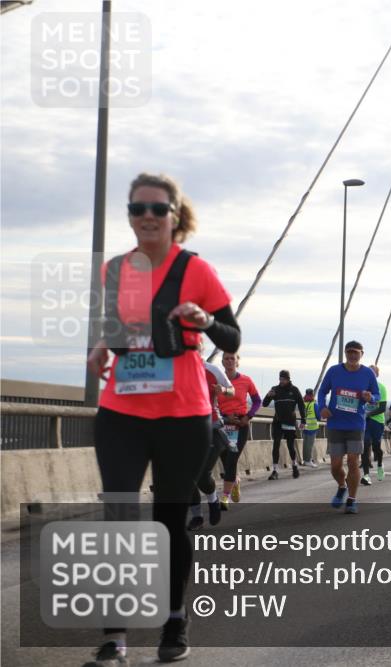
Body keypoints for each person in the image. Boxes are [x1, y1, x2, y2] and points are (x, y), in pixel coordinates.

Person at [84, 172, 240, 665]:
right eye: (137, 209)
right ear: (130, 217)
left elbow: (233, 338)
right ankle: (114, 635)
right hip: (121, 411)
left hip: (182, 415)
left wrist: (206, 322)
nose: (146, 217)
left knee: (170, 522)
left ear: (174, 215)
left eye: (156, 209)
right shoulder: (113, 271)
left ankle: (174, 624)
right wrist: (99, 348)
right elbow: (114, 328)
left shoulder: (196, 269)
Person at [316, 340, 380, 514]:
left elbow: (377, 395)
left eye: (356, 352)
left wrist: (370, 397)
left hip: (356, 424)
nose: (352, 355)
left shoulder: (367, 374)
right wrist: (322, 407)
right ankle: (342, 486)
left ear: (362, 354)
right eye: (349, 352)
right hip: (336, 423)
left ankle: (352, 499)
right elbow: (322, 391)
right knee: (335, 466)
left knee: (353, 461)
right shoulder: (334, 371)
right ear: (345, 353)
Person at [187, 354, 233, 531]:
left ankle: (213, 500)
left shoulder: (212, 369)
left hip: (212, 427)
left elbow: (231, 390)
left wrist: (223, 390)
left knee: (202, 473)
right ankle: (197, 517)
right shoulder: (173, 369)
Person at [217, 351, 261, 508]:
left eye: (232, 358)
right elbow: (210, 402)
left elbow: (257, 401)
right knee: (225, 460)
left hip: (240, 426)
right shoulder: (217, 381)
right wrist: (224, 417)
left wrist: (248, 417)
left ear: (237, 362)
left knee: (232, 460)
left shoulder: (246, 380)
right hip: (223, 425)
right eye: (226, 359)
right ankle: (234, 481)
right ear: (222, 362)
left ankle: (224, 497)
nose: (229, 361)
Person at [262, 370, 306, 480]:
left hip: (290, 422)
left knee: (290, 446)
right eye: (280, 379)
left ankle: (294, 465)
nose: (281, 381)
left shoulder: (294, 390)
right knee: (276, 444)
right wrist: (268, 395)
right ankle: (275, 470)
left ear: (288, 379)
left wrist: (303, 420)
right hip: (278, 421)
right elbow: (264, 404)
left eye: (283, 379)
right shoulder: (275, 389)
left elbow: (301, 405)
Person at [362, 365, 389, 483]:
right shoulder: (362, 387)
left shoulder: (381, 388)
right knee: (365, 444)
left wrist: (368, 414)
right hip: (364, 421)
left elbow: (382, 408)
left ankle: (379, 465)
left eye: (373, 373)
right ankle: (366, 475)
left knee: (376, 447)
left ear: (377, 375)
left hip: (377, 421)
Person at [301, 388, 321, 467]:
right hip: (312, 428)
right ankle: (308, 460)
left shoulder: (303, 403)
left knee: (305, 445)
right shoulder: (314, 404)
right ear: (312, 395)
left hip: (305, 427)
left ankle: (305, 461)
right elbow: (319, 417)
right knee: (310, 445)